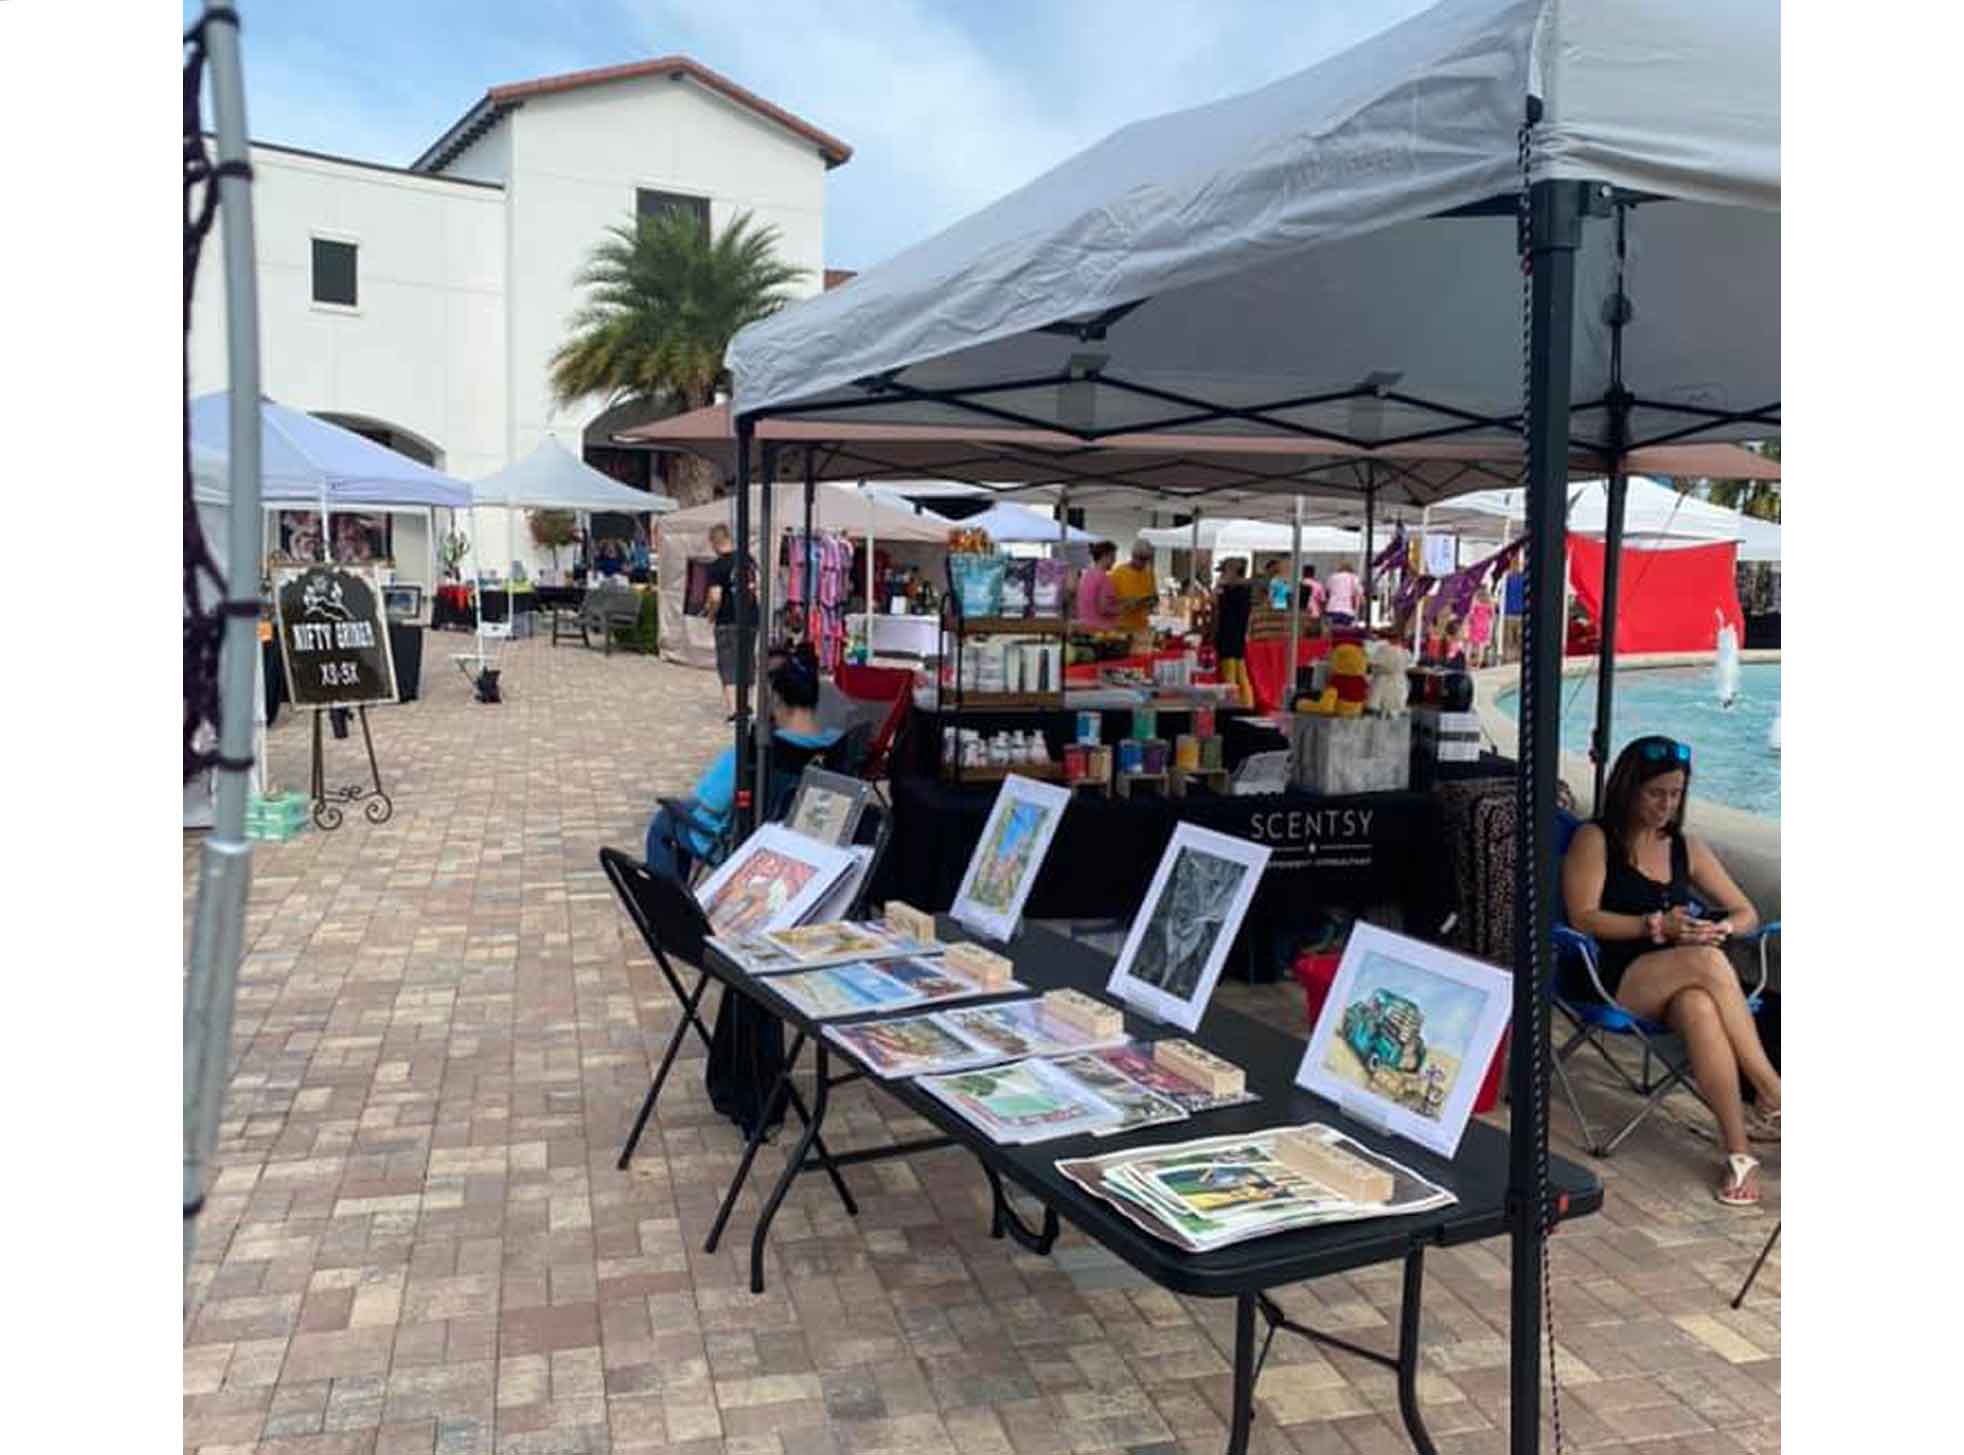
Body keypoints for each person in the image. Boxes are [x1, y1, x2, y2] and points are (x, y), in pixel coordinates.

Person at [1561, 736, 1779, 1207]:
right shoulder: (1596, 839)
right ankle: (1772, 1089)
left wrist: (1718, 928)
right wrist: (1655, 925)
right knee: (1705, 964)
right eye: (1656, 793)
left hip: (1685, 975)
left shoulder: (1686, 848)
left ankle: (1739, 1153)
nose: (1666, 805)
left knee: (1700, 1005)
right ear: (1628, 788)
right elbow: (1584, 917)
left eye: (1676, 794)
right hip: (1612, 976)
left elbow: (1747, 912)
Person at [645, 645, 841, 883]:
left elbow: (711, 804)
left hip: (745, 845)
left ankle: (671, 908)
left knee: (665, 821)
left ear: (776, 699)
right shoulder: (836, 745)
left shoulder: (756, 750)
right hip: (801, 843)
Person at [701, 523, 758, 720]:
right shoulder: (748, 559)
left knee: (728, 664)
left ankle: (735, 710)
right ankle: (748, 705)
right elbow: (753, 586)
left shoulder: (717, 566)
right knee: (748, 661)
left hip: (727, 619)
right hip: (751, 618)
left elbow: (715, 597)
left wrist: (710, 614)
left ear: (714, 542)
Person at [1213, 559, 1254, 708]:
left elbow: (1216, 605)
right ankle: (1248, 705)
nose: (1222, 575)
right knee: (1242, 675)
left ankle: (1232, 705)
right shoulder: (1246, 589)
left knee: (1229, 676)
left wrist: (1219, 585)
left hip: (1227, 635)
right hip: (1239, 636)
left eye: (1224, 571)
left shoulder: (1228, 591)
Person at [1108, 540, 1159, 634]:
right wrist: (1129, 602)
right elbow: (1109, 602)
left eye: (1146, 559)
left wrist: (1152, 601)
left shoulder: (1149, 574)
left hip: (1142, 626)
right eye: (1141, 558)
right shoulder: (1118, 573)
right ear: (1133, 556)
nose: (1143, 562)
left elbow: (1154, 597)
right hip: (1121, 627)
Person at [1075, 540, 1122, 629]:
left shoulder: (1086, 576)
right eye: (1112, 557)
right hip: (1101, 629)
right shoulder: (1103, 578)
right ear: (1104, 557)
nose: (1115, 561)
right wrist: (1123, 609)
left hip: (1085, 626)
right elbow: (1104, 608)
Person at [1467, 583, 1497, 667]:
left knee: (1470, 644)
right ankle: (1478, 665)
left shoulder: (1475, 599)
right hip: (1484, 625)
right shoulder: (1490, 600)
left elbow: (1471, 612)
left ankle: (1467, 663)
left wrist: (1469, 621)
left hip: (1474, 624)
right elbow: (1492, 615)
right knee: (1481, 645)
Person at [1326, 560, 1363, 627]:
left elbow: (1328, 590)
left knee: (1333, 630)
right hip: (1347, 609)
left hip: (1332, 608)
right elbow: (1360, 592)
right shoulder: (1353, 578)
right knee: (1344, 631)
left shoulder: (1333, 577)